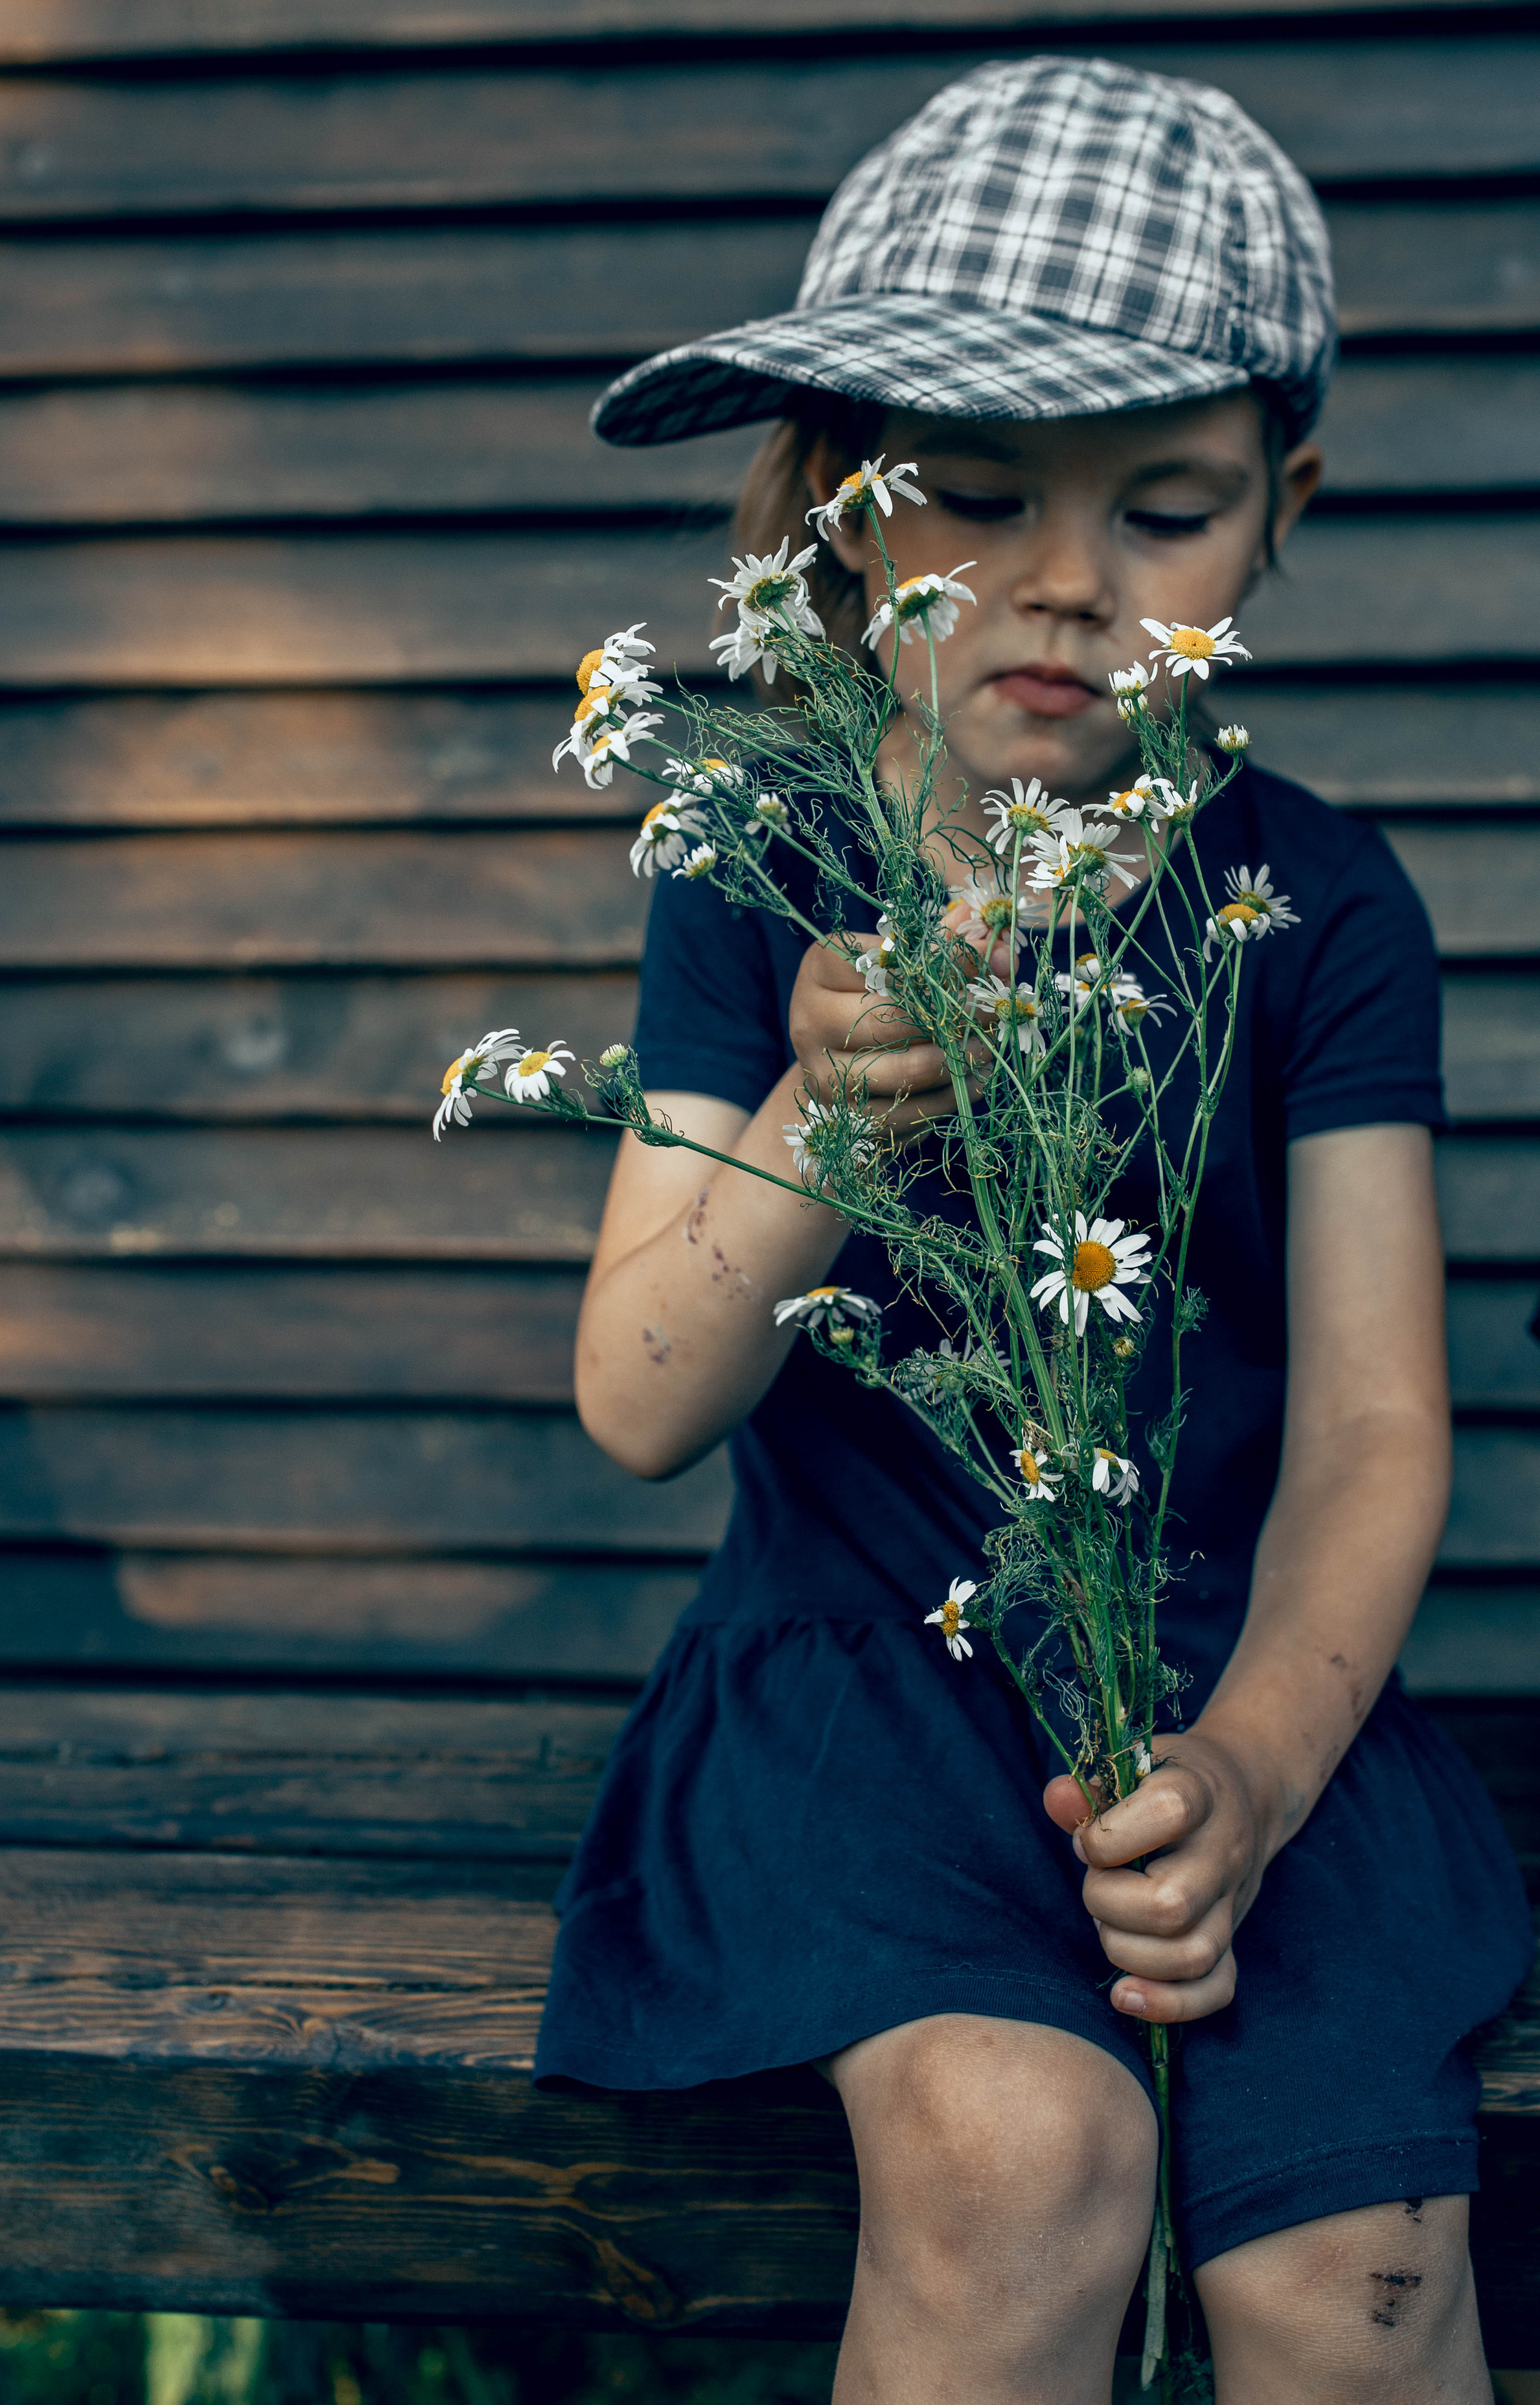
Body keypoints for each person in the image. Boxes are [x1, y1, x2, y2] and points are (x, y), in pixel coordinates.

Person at [534, 57, 1532, 2403]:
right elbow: (637, 1399)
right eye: (975, 491)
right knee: (1016, 2155)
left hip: (1226, 1681)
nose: (1070, 580)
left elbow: (1378, 1421)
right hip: (865, 1675)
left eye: (1164, 507)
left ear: (1279, 511)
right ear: (850, 506)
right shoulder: (762, 854)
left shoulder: (1314, 905)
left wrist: (1264, 1771)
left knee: (1353, 2271)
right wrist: (818, 1113)